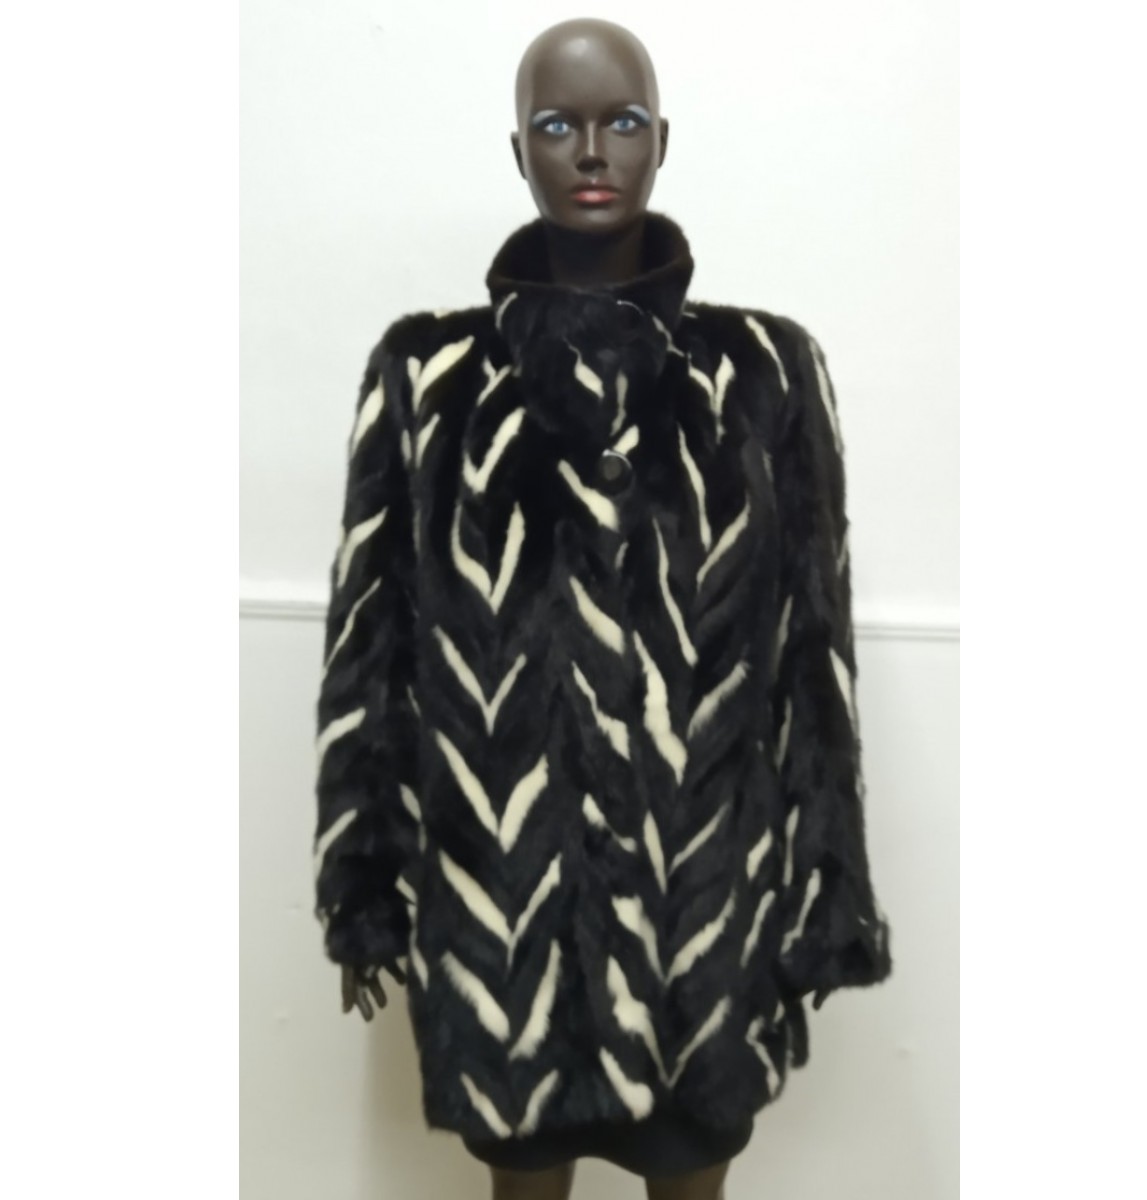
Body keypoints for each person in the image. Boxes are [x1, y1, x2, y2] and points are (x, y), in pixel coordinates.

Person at [312, 17, 893, 1200]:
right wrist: (363, 886)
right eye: (556, 124)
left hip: (707, 929)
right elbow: (370, 654)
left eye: (622, 121)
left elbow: (813, 658)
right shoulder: (428, 380)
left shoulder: (765, 373)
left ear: (663, 140)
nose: (591, 151)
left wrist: (825, 894)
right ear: (516, 148)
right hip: (506, 927)